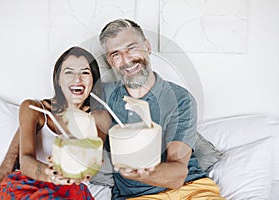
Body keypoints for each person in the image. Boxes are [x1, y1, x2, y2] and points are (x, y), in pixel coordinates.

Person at [96, 18, 225, 199]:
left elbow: (178, 174)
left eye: (131, 48)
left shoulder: (180, 99)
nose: (126, 60)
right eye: (116, 54)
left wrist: (142, 172)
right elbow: (57, 112)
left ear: (147, 46)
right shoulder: (102, 96)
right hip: (138, 196)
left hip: (192, 189)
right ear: (110, 61)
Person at [0, 46, 108, 199]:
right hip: (30, 184)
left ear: (93, 81)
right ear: (58, 80)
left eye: (85, 72)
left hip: (71, 187)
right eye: (69, 72)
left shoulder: (100, 117)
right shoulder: (35, 109)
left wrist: (88, 166)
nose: (77, 79)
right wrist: (51, 174)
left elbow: (91, 160)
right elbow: (25, 160)